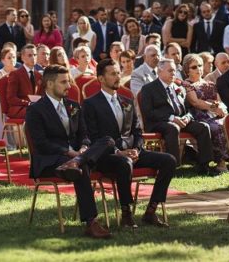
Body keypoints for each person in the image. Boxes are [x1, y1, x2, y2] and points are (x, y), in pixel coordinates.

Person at [83, 58, 176, 227]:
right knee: (124, 163)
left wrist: (137, 150)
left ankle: (151, 211)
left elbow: (137, 131)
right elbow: (93, 138)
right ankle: (126, 213)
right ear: (101, 79)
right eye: (113, 74)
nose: (118, 77)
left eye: (119, 72)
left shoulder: (127, 100)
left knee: (169, 160)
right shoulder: (90, 104)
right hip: (107, 156)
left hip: (133, 152)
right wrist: (119, 152)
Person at [25, 64, 115, 239]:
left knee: (108, 141)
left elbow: (85, 135)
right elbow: (41, 144)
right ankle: (91, 223)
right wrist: (69, 153)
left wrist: (83, 148)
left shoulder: (74, 105)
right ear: (49, 84)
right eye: (64, 82)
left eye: (69, 81)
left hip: (75, 158)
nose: (69, 86)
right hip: (51, 161)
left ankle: (78, 162)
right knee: (81, 169)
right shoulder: (35, 110)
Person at [139, 58, 216, 174]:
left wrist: (187, 117)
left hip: (180, 120)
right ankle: (173, 167)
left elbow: (189, 109)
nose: (173, 73)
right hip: (159, 123)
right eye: (170, 71)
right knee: (173, 128)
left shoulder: (178, 87)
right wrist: (172, 118)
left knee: (203, 127)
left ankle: (205, 165)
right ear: (159, 72)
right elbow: (148, 112)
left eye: (175, 71)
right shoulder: (148, 89)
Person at [181, 53, 228, 170]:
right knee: (217, 127)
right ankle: (220, 162)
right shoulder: (186, 84)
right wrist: (214, 107)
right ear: (187, 70)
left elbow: (219, 101)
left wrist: (222, 108)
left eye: (200, 65)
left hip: (214, 114)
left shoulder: (210, 84)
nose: (198, 69)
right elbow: (195, 102)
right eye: (194, 67)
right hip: (198, 116)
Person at [6, 44, 40, 120]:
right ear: (22, 58)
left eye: (35, 55)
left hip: (35, 107)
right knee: (37, 112)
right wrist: (28, 103)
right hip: (20, 108)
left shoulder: (38, 75)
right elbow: (11, 98)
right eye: (30, 55)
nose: (33, 58)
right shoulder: (15, 74)